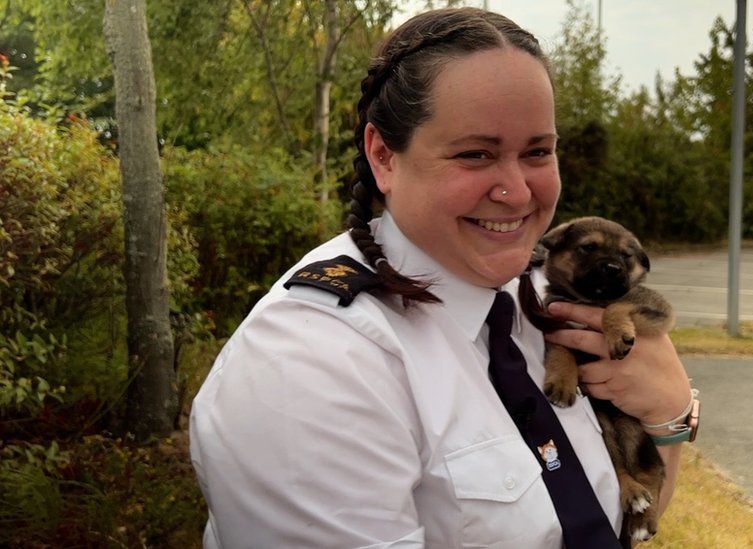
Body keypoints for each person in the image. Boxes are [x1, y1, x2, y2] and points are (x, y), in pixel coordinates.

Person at [190, 7, 695, 548]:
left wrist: (668, 416)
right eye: (475, 154)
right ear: (383, 156)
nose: (518, 191)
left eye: (537, 152)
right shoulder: (308, 366)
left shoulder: (541, 301)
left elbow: (626, 528)